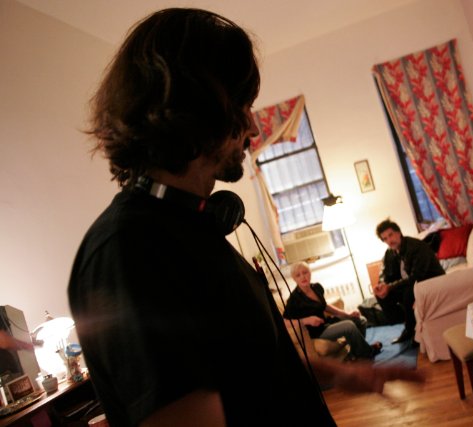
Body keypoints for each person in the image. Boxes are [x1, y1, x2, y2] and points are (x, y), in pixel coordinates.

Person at [68, 8, 423, 427]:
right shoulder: (129, 254)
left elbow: (249, 367)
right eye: (243, 106)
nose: (253, 127)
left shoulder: (193, 226)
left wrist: (343, 373)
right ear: (195, 111)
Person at [283, 262, 382, 361]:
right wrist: (307, 320)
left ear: (310, 273)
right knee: (349, 326)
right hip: (317, 332)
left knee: (361, 320)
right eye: (298, 275)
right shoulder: (294, 299)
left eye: (305, 272)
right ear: (294, 279)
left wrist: (347, 314)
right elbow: (285, 321)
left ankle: (358, 352)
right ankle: (367, 353)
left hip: (327, 323)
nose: (303, 277)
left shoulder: (316, 287)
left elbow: (325, 306)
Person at [374, 219, 445, 346]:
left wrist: (390, 286)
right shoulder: (390, 253)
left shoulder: (416, 247)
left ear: (398, 232)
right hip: (410, 284)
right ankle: (408, 324)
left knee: (408, 293)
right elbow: (385, 274)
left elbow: (417, 276)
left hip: (430, 281)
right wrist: (382, 285)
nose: (389, 240)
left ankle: (412, 330)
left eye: (391, 235)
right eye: (385, 239)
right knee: (382, 295)